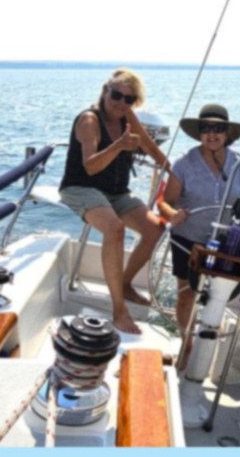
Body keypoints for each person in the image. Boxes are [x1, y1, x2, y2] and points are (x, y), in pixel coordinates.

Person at [59, 69, 169, 335]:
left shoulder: (125, 116)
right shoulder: (89, 120)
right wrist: (119, 145)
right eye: (116, 95)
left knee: (156, 229)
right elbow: (90, 167)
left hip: (115, 192)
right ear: (105, 91)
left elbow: (149, 145)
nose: (121, 103)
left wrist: (172, 170)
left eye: (129, 99)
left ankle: (125, 283)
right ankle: (119, 310)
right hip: (81, 187)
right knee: (115, 228)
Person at [157, 104, 240, 337]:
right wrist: (172, 215)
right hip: (188, 238)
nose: (212, 134)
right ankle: (186, 341)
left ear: (227, 134)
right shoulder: (184, 163)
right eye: (206, 128)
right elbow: (164, 203)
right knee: (187, 292)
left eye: (218, 128)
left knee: (224, 291)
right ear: (199, 133)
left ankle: (215, 330)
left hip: (227, 241)